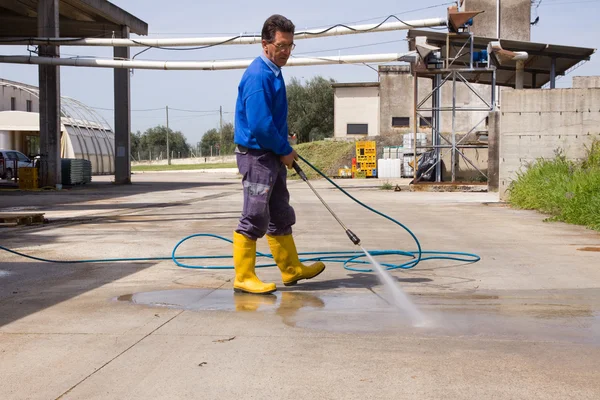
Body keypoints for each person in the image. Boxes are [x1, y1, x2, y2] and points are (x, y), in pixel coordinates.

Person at [232, 14, 325, 294]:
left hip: (271, 153)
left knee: (280, 213)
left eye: (290, 46)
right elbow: (260, 126)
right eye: (282, 46)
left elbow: (270, 122)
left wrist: (283, 146)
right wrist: (285, 149)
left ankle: (291, 268)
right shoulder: (258, 76)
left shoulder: (273, 71)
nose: (286, 52)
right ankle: (244, 276)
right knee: (255, 215)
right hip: (257, 156)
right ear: (265, 44)